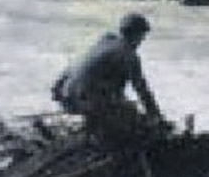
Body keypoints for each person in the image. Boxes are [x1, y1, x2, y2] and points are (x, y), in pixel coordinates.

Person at [51, 12, 167, 145]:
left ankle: (96, 130)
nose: (141, 42)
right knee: (132, 117)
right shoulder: (128, 53)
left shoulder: (105, 41)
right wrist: (156, 117)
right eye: (142, 37)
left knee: (116, 99)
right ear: (136, 35)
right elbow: (142, 90)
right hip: (85, 100)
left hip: (65, 95)